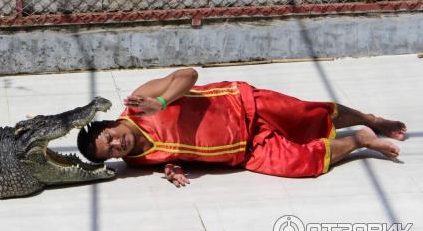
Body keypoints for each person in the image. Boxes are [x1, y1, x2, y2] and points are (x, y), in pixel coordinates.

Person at [77, 68, 407, 187]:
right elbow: (173, 153)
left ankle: (370, 120)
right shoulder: (135, 159)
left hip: (247, 107)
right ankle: (360, 141)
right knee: (302, 165)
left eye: (110, 139)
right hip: (244, 152)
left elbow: (188, 75)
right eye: (112, 152)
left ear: (109, 125)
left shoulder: (139, 102)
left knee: (314, 116)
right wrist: (172, 168)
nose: (118, 146)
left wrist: (161, 103)